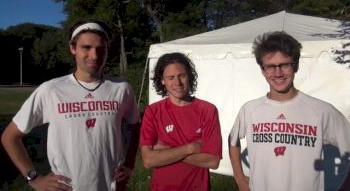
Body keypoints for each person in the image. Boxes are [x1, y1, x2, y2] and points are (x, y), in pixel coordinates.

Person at [1, 19, 140, 191]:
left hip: (111, 186)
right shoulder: (51, 90)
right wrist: (33, 178)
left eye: (100, 48)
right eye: (86, 47)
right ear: (72, 48)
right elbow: (10, 137)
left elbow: (136, 129)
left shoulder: (121, 88)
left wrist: (130, 164)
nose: (94, 55)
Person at [229, 31, 350, 191]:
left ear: (296, 65)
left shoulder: (322, 111)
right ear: (262, 70)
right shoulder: (249, 109)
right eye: (270, 66)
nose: (278, 73)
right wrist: (239, 178)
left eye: (284, 65)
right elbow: (233, 140)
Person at [139, 52, 222, 191]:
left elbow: (213, 161)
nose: (177, 83)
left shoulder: (207, 110)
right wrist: (190, 148)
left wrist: (166, 151)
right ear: (162, 80)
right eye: (171, 77)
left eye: (182, 76)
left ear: (189, 76)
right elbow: (148, 161)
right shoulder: (153, 111)